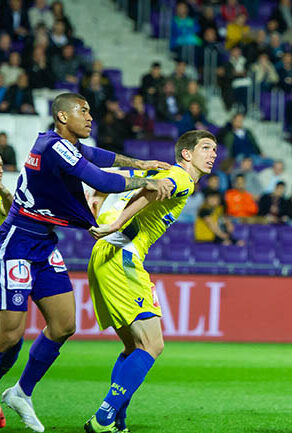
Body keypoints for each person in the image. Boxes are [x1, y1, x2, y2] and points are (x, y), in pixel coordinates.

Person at [0, 94, 172, 432]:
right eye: (83, 111)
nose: (90, 116)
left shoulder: (66, 146)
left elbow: (102, 157)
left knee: (64, 325)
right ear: (63, 116)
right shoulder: (53, 146)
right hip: (17, 242)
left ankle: (21, 392)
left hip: (45, 244)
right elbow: (101, 179)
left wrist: (143, 162)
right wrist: (148, 181)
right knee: (9, 337)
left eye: (91, 110)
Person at [83, 131, 217, 432]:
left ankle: (117, 421)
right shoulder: (181, 177)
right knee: (152, 345)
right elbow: (151, 190)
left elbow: (132, 180)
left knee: (133, 347)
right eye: (206, 148)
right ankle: (104, 418)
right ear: (186, 154)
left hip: (106, 254)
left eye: (215, 149)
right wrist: (115, 223)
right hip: (122, 256)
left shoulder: (173, 174)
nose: (213, 154)